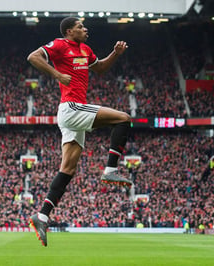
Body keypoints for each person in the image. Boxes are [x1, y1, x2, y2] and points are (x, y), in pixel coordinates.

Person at [27, 17, 132, 247]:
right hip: (71, 108)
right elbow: (33, 57)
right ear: (69, 31)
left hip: (73, 113)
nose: (85, 30)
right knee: (123, 119)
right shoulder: (59, 45)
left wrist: (115, 53)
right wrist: (56, 74)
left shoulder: (85, 49)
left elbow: (101, 68)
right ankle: (111, 170)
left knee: (68, 168)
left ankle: (42, 215)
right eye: (80, 27)